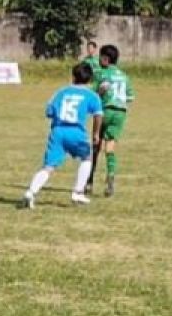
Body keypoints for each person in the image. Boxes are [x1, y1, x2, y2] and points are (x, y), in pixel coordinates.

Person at [22, 62, 103, 209]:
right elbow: (98, 115)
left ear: (73, 77)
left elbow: (49, 112)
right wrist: (96, 133)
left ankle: (31, 192)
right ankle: (78, 192)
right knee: (87, 158)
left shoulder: (61, 92)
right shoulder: (92, 96)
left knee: (48, 167)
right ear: (90, 79)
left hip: (58, 132)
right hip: (76, 133)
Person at [87, 44, 136, 197]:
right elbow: (130, 97)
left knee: (96, 145)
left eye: (100, 57)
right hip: (120, 112)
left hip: (105, 110)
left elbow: (94, 93)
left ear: (105, 59)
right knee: (110, 148)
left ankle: (89, 181)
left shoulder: (102, 73)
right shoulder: (124, 76)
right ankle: (110, 177)